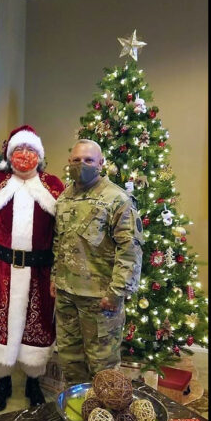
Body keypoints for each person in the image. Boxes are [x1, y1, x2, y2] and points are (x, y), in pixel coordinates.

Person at [0, 126, 65, 411]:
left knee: (36, 324)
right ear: (9, 154)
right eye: (18, 150)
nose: (24, 156)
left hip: (39, 271)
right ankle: (2, 381)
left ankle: (33, 381)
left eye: (30, 150)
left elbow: (64, 230)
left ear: (39, 155)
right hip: (1, 268)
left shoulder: (53, 186)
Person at [51, 139, 144, 385]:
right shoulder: (64, 198)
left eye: (89, 160)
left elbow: (130, 250)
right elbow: (59, 242)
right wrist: (54, 278)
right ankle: (78, 412)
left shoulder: (118, 199)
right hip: (66, 295)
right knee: (70, 362)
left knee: (103, 369)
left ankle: (105, 418)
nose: (82, 165)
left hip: (101, 299)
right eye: (76, 160)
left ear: (101, 164)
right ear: (69, 163)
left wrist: (117, 293)